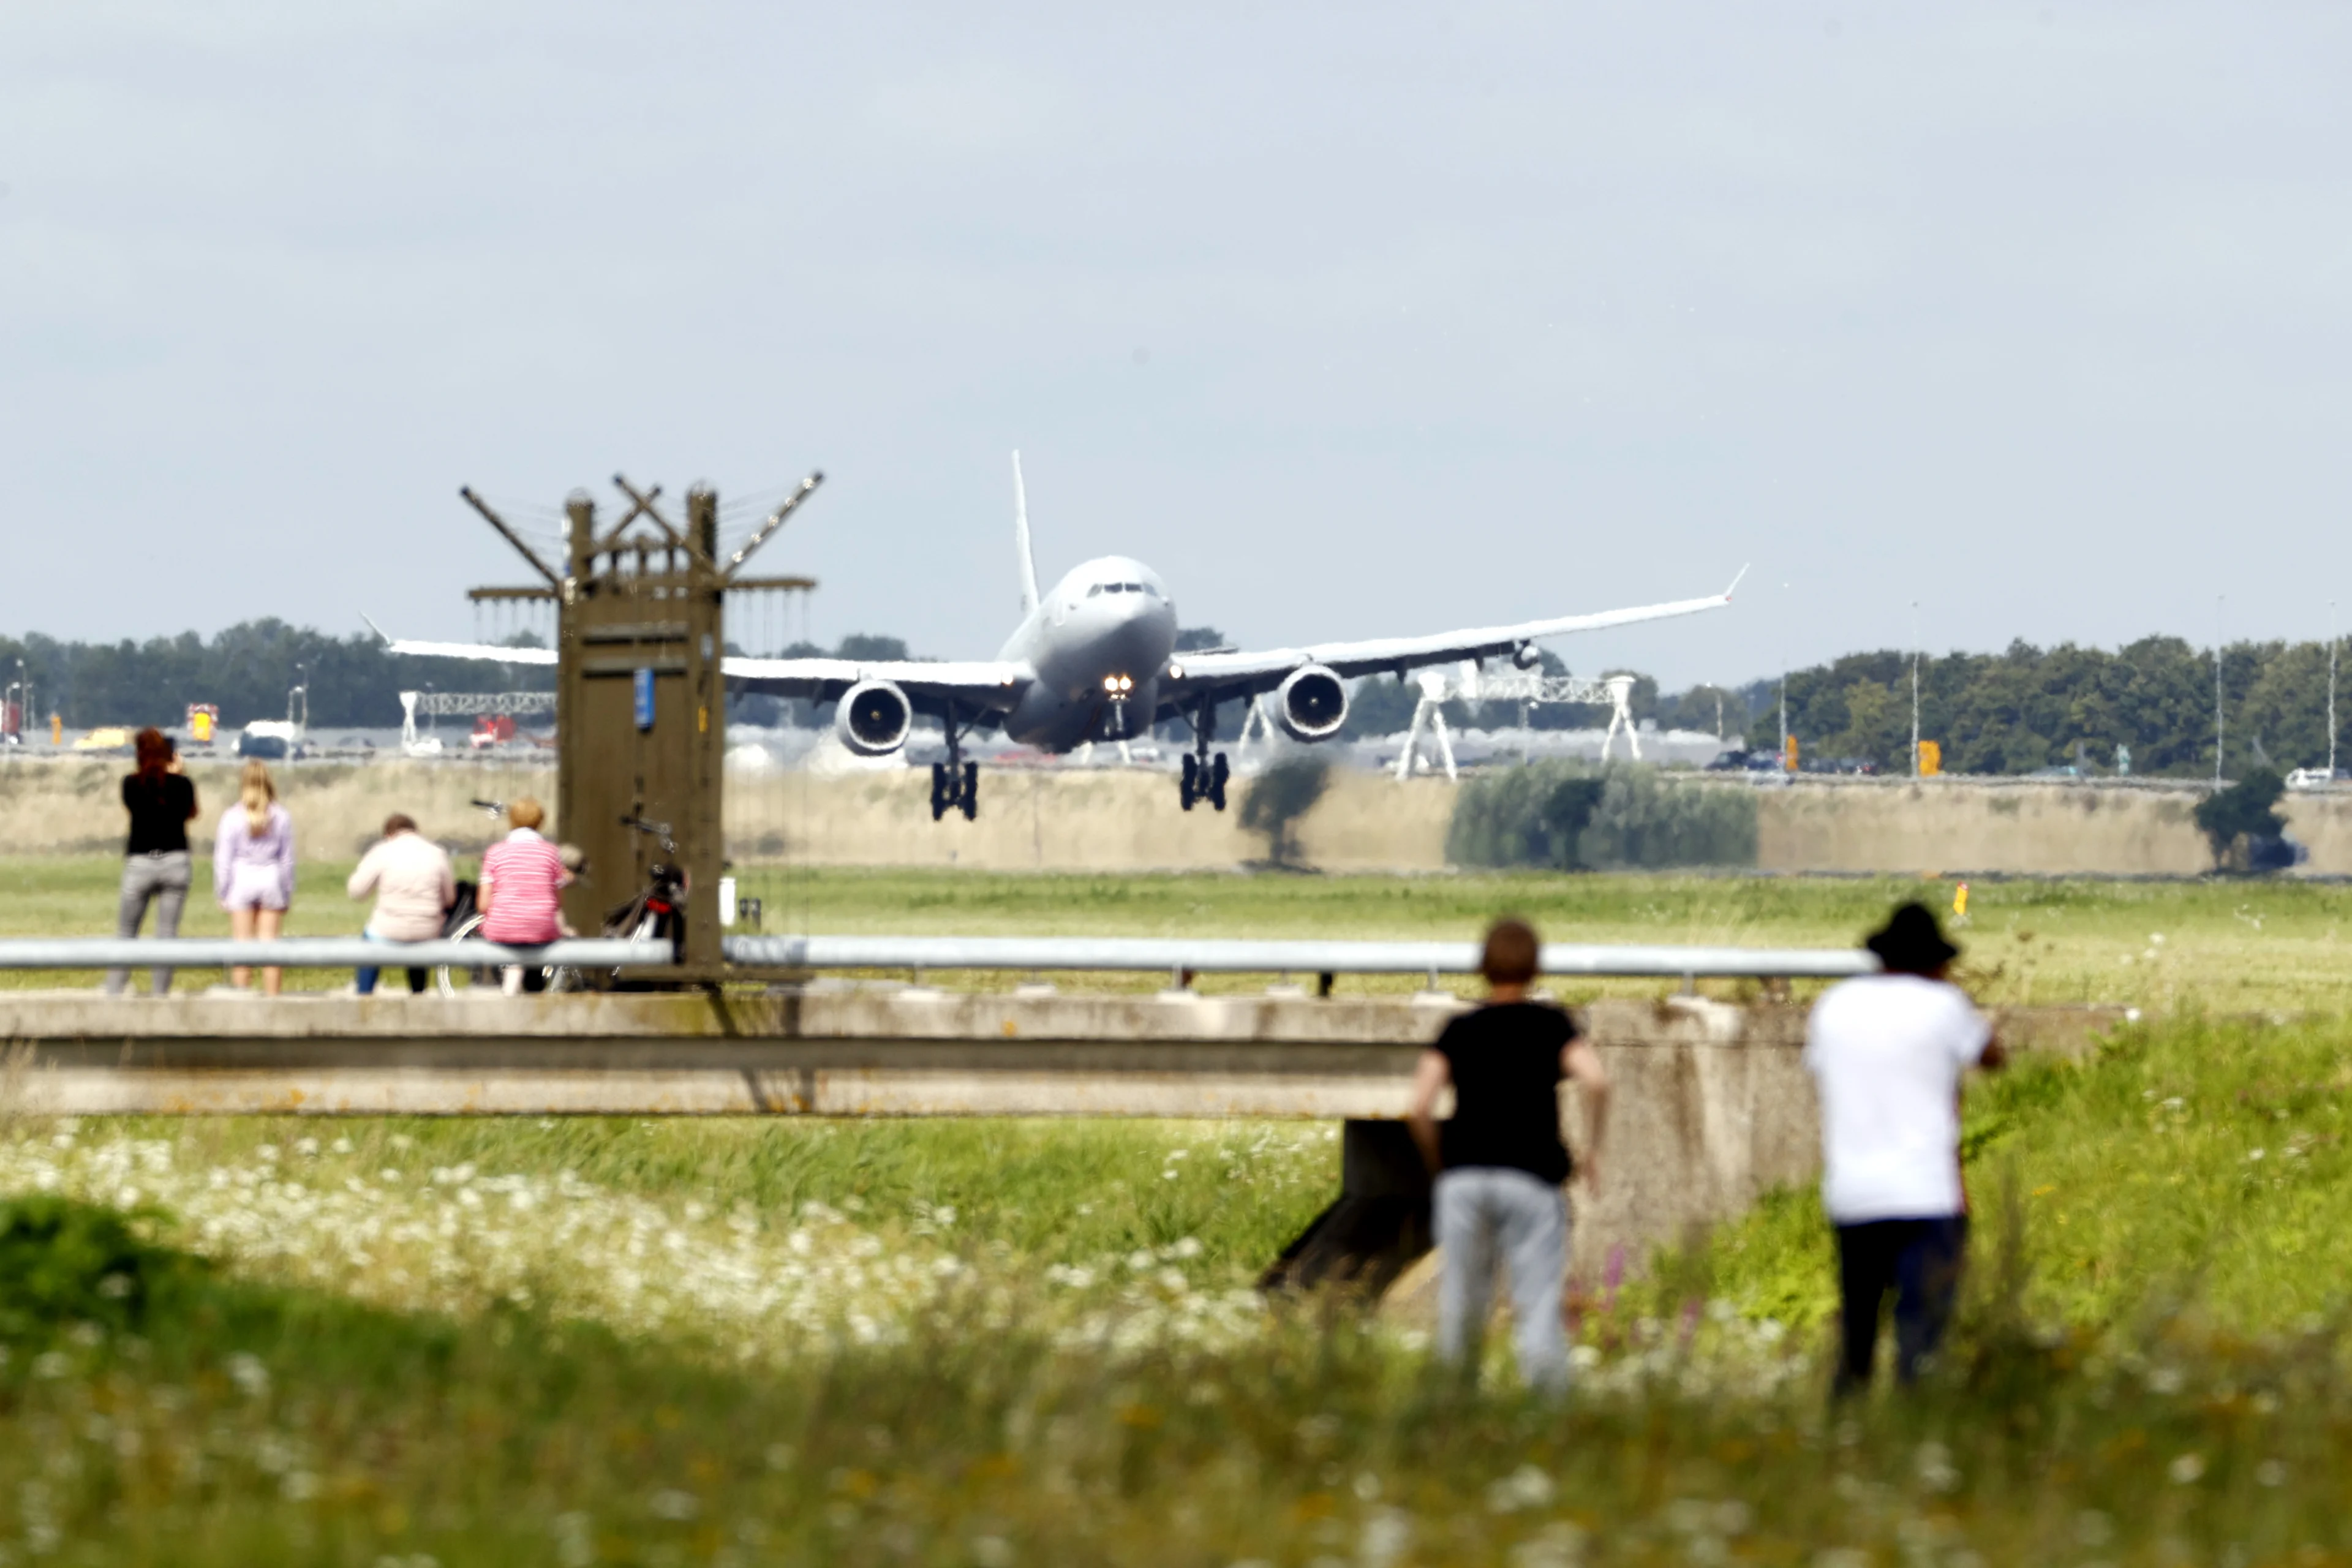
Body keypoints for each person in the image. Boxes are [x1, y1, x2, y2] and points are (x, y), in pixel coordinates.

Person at [1804, 901, 2007, 1395]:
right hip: (1926, 1196)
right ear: (1935, 961)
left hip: (1853, 1195)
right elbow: (1994, 1057)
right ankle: (1912, 1432)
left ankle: (1843, 1431)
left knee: (1858, 1330)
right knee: (1921, 1334)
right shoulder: (1944, 1005)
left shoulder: (1834, 1006)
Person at [1406, 918, 1610, 1393]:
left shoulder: (1459, 1029)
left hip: (1465, 1179)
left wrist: (1442, 1160)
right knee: (1537, 1306)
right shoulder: (1551, 1025)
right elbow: (1597, 1080)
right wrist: (1593, 1149)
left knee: (1462, 1305)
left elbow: (1419, 1105)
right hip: (1531, 1179)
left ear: (1482, 968)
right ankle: (1547, 1415)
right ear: (1536, 968)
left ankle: (1452, 1411)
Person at [104, 727, 200, 997]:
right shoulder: (183, 785)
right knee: (167, 934)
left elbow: (136, 804)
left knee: (126, 931)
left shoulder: (130, 784)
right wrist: (177, 774)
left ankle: (115, 989)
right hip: (176, 861)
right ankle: (160, 993)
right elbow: (189, 813)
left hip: (141, 862)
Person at [347, 813, 454, 996]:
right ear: (416, 831)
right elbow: (450, 898)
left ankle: (364, 994)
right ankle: (418, 994)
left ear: (388, 834)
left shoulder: (382, 852)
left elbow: (356, 891)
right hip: (427, 930)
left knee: (369, 942)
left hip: (388, 928)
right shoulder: (437, 853)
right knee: (418, 945)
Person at [213, 760, 295, 995]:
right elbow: (287, 859)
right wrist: (287, 891)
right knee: (270, 948)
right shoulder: (281, 816)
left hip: (241, 879)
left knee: (242, 949)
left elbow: (223, 860)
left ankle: (242, 1002)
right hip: (271, 878)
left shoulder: (232, 816)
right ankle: (273, 1000)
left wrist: (223, 891)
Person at [477, 796, 569, 993]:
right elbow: (558, 902)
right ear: (540, 822)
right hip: (541, 926)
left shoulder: (495, 853)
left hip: (503, 927)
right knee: (539, 937)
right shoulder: (551, 853)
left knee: (513, 942)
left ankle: (510, 993)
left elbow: (483, 905)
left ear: (511, 820)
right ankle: (535, 994)